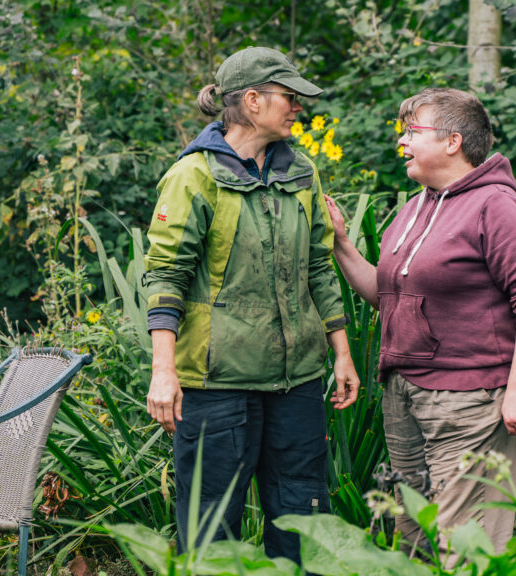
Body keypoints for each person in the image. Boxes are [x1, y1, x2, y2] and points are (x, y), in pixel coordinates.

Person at [143, 46, 360, 563]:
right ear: (254, 101)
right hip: (217, 386)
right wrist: (163, 371)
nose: (298, 108)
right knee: (211, 529)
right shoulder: (194, 175)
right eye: (290, 97)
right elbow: (166, 276)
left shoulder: (301, 172)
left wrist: (342, 353)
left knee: (303, 521)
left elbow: (318, 267)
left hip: (296, 382)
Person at [324, 87, 516, 560]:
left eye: (413, 132)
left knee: (465, 540)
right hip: (405, 395)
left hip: (469, 400)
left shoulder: (495, 205)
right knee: (414, 534)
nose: (402, 142)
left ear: (453, 142)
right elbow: (387, 297)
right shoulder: (415, 208)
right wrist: (342, 244)